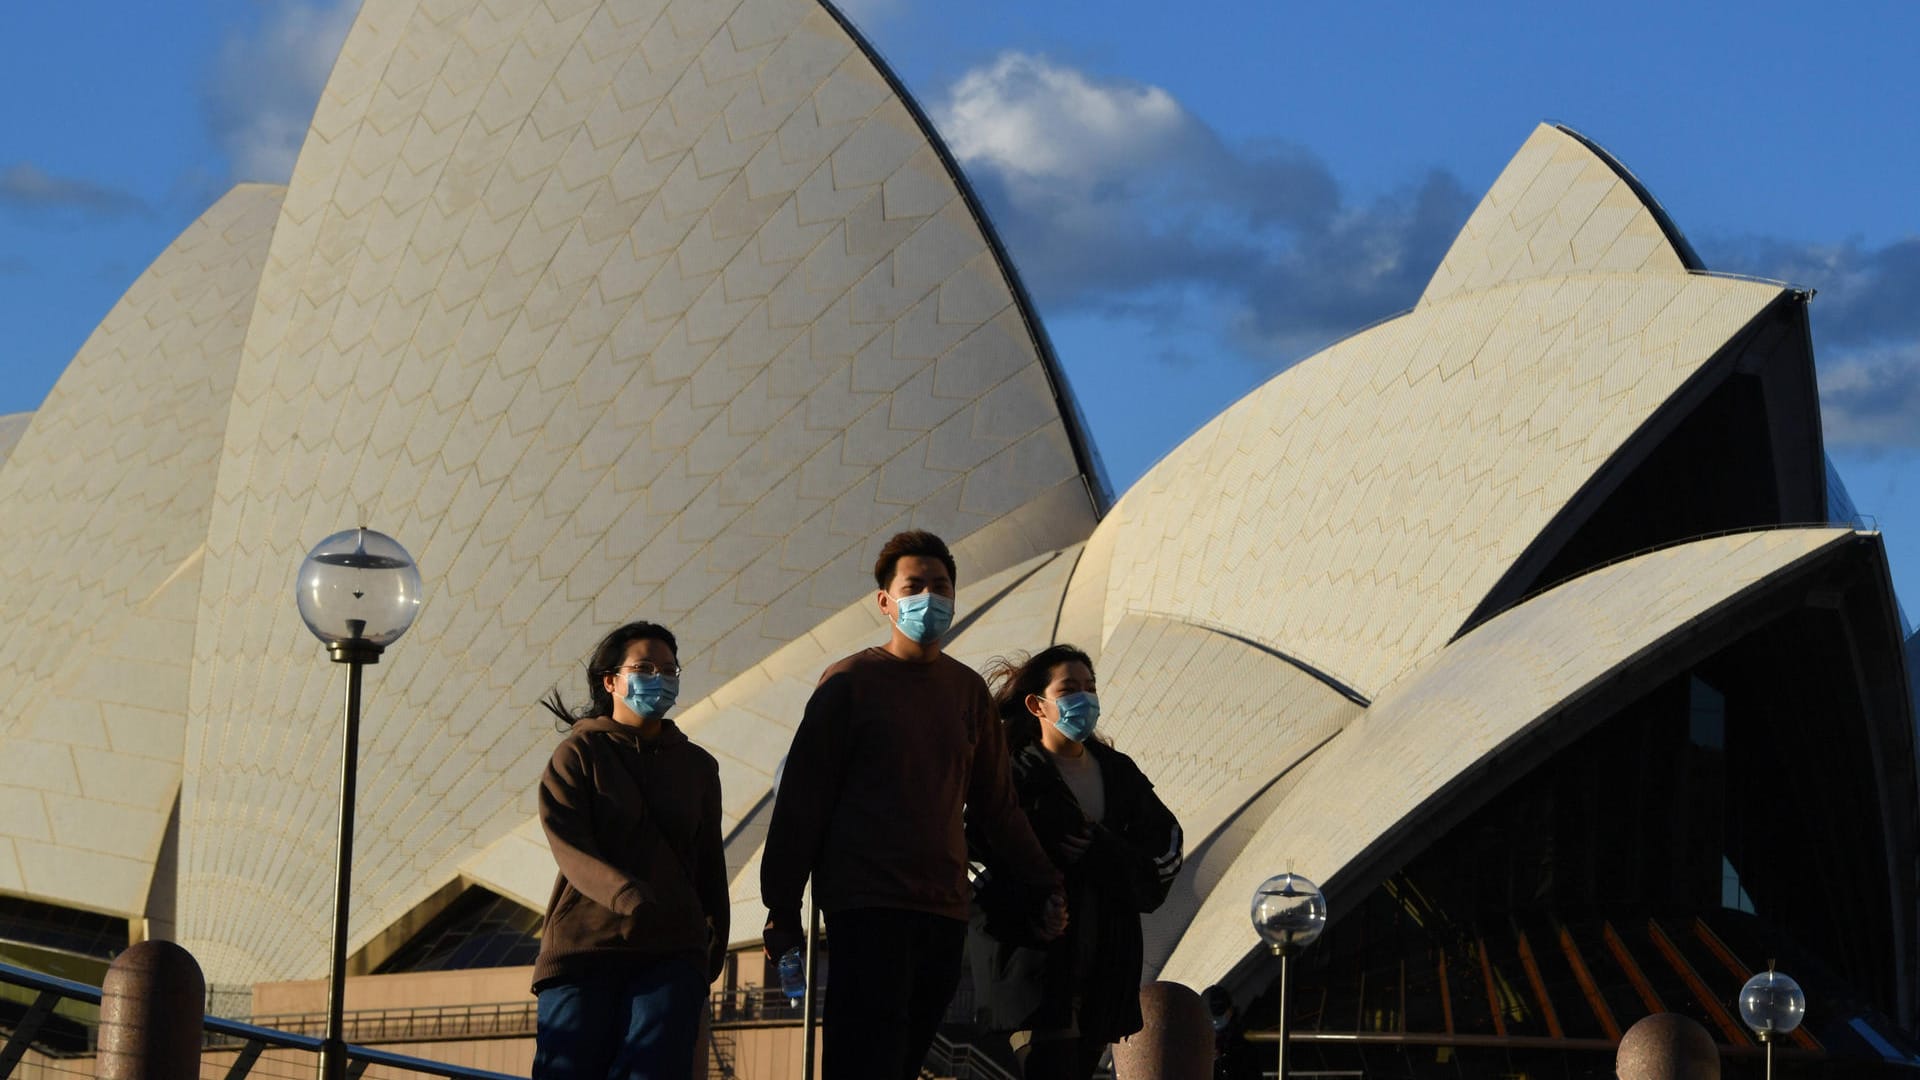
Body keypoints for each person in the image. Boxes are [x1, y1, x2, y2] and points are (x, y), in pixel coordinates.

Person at [760, 530, 1067, 1080]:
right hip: (867, 906)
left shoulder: (967, 692)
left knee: (904, 1062)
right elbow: (803, 802)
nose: (930, 597)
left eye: (941, 586)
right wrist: (781, 907)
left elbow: (998, 807)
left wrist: (1045, 883)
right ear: (886, 601)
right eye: (915, 585)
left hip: (943, 911)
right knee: (864, 1062)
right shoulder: (849, 684)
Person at [970, 645, 1184, 1080]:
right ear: (1037, 704)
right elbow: (969, 863)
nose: (1083, 699)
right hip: (1035, 966)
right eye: (1069, 689)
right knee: (1053, 1068)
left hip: (1103, 965)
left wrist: (1103, 849)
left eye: (1090, 688)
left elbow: (1164, 858)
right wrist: (1031, 908)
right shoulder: (1009, 776)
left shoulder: (1119, 773)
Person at [530, 621, 729, 1080]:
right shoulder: (578, 753)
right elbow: (568, 842)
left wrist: (710, 946)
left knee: (655, 1066)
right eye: (643, 667)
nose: (658, 677)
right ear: (611, 680)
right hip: (584, 947)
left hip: (672, 948)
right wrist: (626, 895)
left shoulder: (698, 767)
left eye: (668, 669)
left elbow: (709, 863)